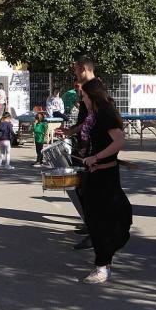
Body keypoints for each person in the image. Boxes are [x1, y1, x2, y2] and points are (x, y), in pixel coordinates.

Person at [76, 78, 133, 284]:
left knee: (103, 221)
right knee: (96, 221)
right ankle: (104, 261)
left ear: (92, 96)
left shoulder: (105, 116)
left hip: (105, 177)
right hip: (96, 175)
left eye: (83, 96)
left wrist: (97, 157)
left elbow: (119, 141)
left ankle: (102, 266)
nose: (82, 99)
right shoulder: (95, 116)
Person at [55, 56, 97, 248]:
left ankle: (96, 232)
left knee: (90, 192)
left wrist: (93, 151)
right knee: (81, 188)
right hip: (85, 148)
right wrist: (72, 132)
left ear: (83, 69)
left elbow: (94, 121)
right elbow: (87, 121)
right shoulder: (88, 90)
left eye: (75, 69)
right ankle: (90, 225)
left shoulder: (94, 90)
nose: (74, 73)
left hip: (93, 151)